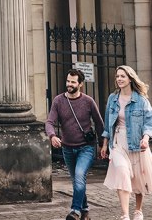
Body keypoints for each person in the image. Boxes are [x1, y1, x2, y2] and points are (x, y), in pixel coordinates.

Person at [100, 65, 152, 220]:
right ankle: (124, 215)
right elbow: (108, 123)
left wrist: (146, 138)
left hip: (137, 143)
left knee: (137, 178)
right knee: (122, 172)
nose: (119, 79)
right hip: (118, 143)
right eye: (117, 76)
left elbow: (149, 123)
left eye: (122, 76)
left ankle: (138, 210)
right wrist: (104, 144)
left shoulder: (141, 100)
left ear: (130, 78)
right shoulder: (112, 98)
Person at [45, 68, 104, 220]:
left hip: (86, 147)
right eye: (68, 81)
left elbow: (99, 124)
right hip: (67, 149)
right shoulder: (58, 101)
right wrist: (52, 136)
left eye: (73, 82)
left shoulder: (88, 102)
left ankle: (75, 211)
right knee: (77, 180)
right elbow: (49, 122)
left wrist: (104, 145)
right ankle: (85, 210)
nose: (69, 84)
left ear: (80, 84)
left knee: (79, 176)